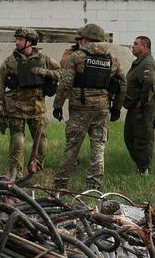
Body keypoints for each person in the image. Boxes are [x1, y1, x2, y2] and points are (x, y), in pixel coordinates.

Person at [52, 22, 124, 191]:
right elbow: (122, 83)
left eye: (81, 38)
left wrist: (58, 106)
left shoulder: (77, 57)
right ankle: (95, 188)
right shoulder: (112, 58)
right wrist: (117, 108)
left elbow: (65, 84)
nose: (80, 41)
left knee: (72, 147)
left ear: (87, 39)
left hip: (80, 109)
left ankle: (60, 186)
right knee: (98, 147)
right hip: (102, 109)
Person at [0, 28, 58, 178]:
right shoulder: (10, 61)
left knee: (40, 141)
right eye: (16, 39)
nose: (17, 42)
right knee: (17, 140)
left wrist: (44, 72)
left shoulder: (44, 59)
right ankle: (17, 173)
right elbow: (0, 83)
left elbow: (61, 73)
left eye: (20, 39)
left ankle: (36, 171)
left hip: (37, 108)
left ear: (30, 42)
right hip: (16, 108)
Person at [122, 35, 155, 175]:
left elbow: (149, 83)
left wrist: (142, 102)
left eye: (136, 44)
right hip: (134, 108)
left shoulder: (147, 63)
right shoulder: (140, 62)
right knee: (130, 137)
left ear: (144, 46)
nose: (133, 46)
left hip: (142, 109)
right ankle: (140, 166)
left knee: (142, 138)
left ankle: (144, 169)